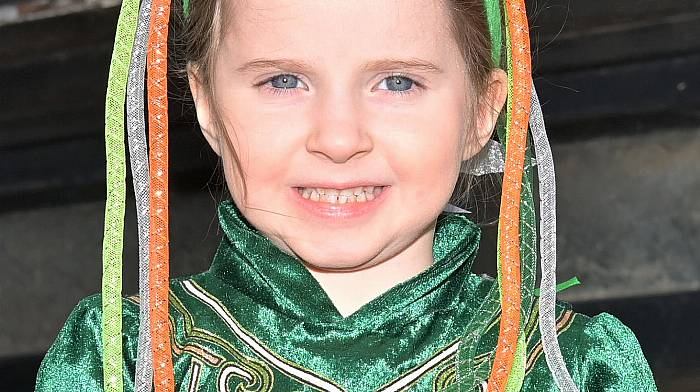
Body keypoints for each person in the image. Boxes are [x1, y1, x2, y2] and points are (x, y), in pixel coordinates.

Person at [35, 0, 658, 391]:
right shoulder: (120, 361)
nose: (338, 138)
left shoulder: (570, 368)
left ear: (483, 112)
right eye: (283, 81)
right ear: (204, 103)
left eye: (396, 82)